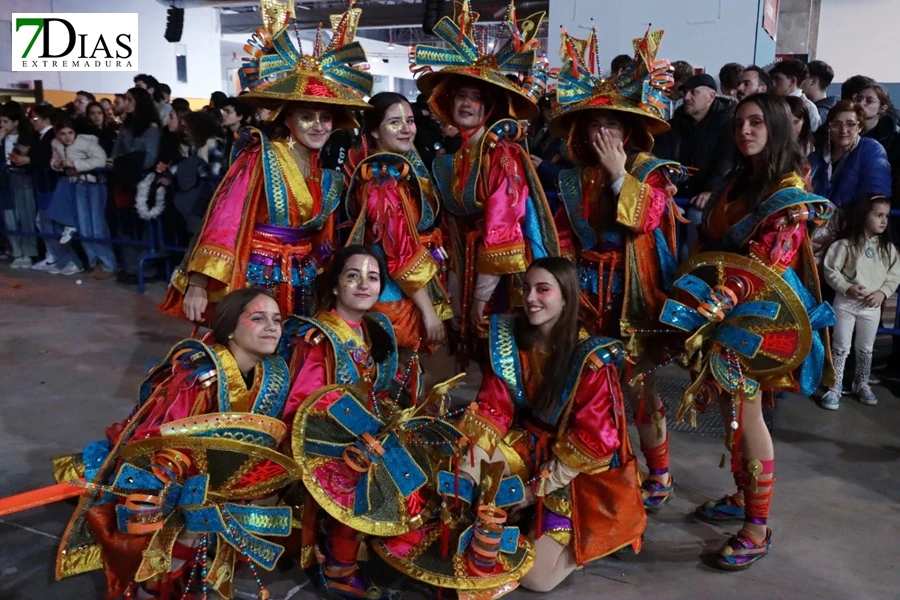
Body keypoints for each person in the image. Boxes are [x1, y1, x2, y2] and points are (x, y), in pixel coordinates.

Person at [376, 258, 644, 595]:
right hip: (527, 444)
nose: (530, 297)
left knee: (537, 579)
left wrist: (534, 491)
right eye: (526, 288)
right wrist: (470, 467)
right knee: (456, 470)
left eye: (543, 289)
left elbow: (593, 441)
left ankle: (577, 539)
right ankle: (508, 517)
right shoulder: (510, 338)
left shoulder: (590, 359)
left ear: (566, 297)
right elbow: (493, 409)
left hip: (577, 472)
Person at [55, 288, 297, 600]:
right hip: (168, 475)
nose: (272, 327)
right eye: (258, 318)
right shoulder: (198, 377)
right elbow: (156, 437)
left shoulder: (272, 373)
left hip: (218, 481)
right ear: (230, 328)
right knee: (170, 531)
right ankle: (153, 585)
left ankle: (187, 574)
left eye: (277, 319)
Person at [690, 93, 835, 569]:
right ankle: (741, 494)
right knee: (736, 412)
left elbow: (768, 260)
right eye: (739, 124)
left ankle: (756, 526)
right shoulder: (742, 177)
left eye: (756, 123)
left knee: (748, 414)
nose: (745, 131)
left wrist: (722, 297)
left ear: (776, 127)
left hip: (762, 316)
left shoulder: (789, 189)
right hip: (728, 310)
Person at [159, 4, 374, 322]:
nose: (318, 126)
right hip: (258, 277)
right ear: (287, 118)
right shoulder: (259, 156)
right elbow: (225, 219)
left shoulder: (323, 171)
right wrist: (198, 282)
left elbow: (322, 238)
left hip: (304, 280)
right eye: (307, 116)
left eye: (326, 117)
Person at [550, 27, 683, 511]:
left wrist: (618, 175)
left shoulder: (648, 173)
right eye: (593, 126)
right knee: (583, 383)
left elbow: (645, 220)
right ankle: (593, 466)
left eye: (611, 125)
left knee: (639, 386)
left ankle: (660, 470)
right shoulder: (570, 178)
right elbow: (562, 235)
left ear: (628, 132)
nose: (601, 134)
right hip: (581, 297)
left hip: (632, 295)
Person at [409, 3, 558, 362]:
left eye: (477, 99)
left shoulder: (500, 154)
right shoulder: (458, 155)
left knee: (501, 348)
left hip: (498, 272)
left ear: (488, 109)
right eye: (462, 95)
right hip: (467, 262)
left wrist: (481, 294)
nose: (468, 104)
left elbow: (503, 224)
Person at [280, 246, 410, 598]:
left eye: (372, 277)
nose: (363, 284)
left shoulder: (374, 327)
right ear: (336, 285)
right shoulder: (319, 336)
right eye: (352, 276)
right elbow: (304, 406)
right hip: (324, 440)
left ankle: (395, 545)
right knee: (360, 469)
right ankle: (339, 566)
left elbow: (377, 389)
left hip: (366, 430)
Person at [344, 92, 452, 353]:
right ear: (375, 132)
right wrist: (429, 312)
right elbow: (400, 253)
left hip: (408, 288)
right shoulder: (383, 182)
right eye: (395, 122)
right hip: (394, 296)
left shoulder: (399, 168)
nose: (406, 129)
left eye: (410, 121)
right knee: (397, 373)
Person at [821, 194, 900, 409]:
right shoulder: (844, 246)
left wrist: (882, 293)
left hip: (872, 306)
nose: (884, 220)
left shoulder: (888, 249)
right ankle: (835, 386)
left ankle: (861, 383)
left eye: (885, 216)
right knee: (841, 345)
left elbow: (894, 275)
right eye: (878, 215)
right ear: (864, 216)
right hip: (846, 303)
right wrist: (847, 287)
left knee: (866, 346)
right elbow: (831, 271)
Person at [655, 72, 735, 258]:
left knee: (697, 218)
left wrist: (711, 191)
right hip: (676, 191)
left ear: (711, 96)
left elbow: (725, 161)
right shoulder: (673, 125)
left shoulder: (726, 124)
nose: (687, 97)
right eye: (685, 93)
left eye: (694, 93)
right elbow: (660, 158)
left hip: (710, 195)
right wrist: (663, 189)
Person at [48, 118, 114, 277]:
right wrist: (57, 164)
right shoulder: (56, 144)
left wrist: (75, 163)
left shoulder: (86, 142)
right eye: (62, 134)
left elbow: (100, 159)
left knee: (96, 226)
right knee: (84, 226)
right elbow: (54, 160)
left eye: (70, 133)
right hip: (76, 185)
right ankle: (93, 263)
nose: (67, 137)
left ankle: (108, 265)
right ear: (57, 134)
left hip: (93, 185)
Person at [108, 86, 161, 283]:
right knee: (126, 225)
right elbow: (116, 152)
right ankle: (131, 267)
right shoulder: (126, 126)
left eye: (130, 99)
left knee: (141, 227)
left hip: (141, 182)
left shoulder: (151, 127)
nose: (126, 103)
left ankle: (145, 268)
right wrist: (119, 161)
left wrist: (122, 162)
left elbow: (149, 157)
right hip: (123, 181)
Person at [809, 100, 892, 209]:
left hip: (856, 222)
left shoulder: (872, 150)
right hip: (818, 221)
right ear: (829, 128)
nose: (843, 130)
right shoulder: (815, 158)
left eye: (851, 124)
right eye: (837, 124)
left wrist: (839, 213)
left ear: (859, 127)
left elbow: (875, 194)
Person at [0, 101, 38, 268]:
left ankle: (29, 252)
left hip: (23, 179)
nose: (2, 125)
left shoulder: (27, 137)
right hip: (4, 180)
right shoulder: (1, 138)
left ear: (15, 122)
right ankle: (16, 252)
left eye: (5, 121)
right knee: (9, 217)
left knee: (26, 215)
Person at [854, 83, 900, 173]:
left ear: (882, 108)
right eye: (859, 99)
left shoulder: (894, 140)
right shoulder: (847, 131)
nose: (860, 103)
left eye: (869, 101)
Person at [769, 59, 822, 131]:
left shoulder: (808, 107)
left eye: (777, 79)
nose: (773, 83)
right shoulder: (773, 103)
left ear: (792, 81)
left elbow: (812, 138)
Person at [801, 60, 838, 124]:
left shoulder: (820, 114)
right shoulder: (834, 108)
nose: (799, 83)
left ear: (813, 81)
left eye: (802, 78)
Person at [221, 95, 253, 161]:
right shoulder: (227, 134)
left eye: (228, 112)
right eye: (223, 111)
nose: (223, 114)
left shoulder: (247, 136)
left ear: (240, 116)